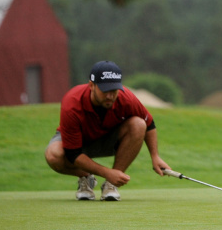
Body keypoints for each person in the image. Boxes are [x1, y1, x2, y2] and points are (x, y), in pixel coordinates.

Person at [44, 60, 171, 201]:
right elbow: (73, 154)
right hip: (77, 144)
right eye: (105, 90)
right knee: (53, 155)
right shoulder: (72, 102)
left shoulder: (126, 98)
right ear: (91, 85)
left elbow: (149, 123)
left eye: (114, 90)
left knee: (139, 124)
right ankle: (86, 177)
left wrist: (155, 156)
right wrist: (106, 172)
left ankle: (110, 185)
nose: (110, 96)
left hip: (108, 139)